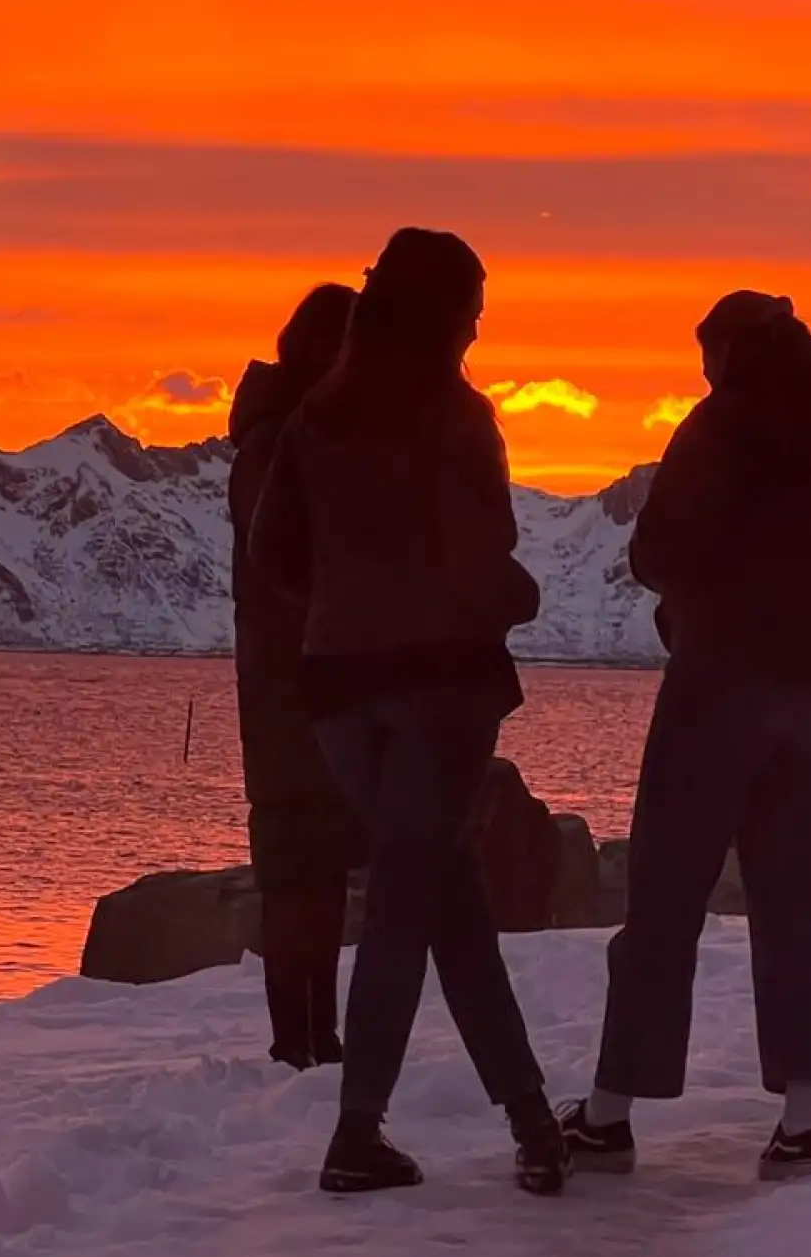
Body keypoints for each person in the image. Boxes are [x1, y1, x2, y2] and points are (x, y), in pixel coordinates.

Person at [252, 227, 568, 1198]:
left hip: (338, 689)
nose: (477, 328)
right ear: (443, 316)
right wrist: (518, 600)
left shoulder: (314, 419)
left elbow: (274, 553)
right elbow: (481, 554)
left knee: (440, 895)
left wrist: (346, 608)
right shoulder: (457, 419)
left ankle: (528, 1120)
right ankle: (357, 1129)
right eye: (471, 311)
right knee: (406, 898)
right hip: (440, 689)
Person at [560, 292, 811, 1182]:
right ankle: (804, 1117)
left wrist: (716, 591)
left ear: (723, 355)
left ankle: (609, 1114)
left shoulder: (715, 430)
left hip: (719, 685)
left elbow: (656, 552)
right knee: (792, 900)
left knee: (666, 892)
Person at [228, 282, 365, 1070]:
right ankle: (298, 1040)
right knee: (295, 868)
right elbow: (284, 568)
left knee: (319, 868)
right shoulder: (279, 446)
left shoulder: (303, 439)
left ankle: (321, 1033)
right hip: (290, 690)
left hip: (315, 683)